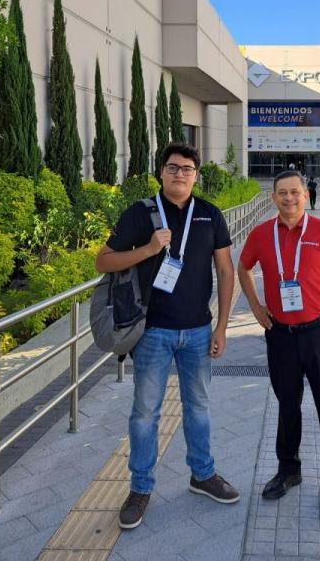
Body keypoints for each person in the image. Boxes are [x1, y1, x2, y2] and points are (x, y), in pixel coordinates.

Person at [95, 142, 239, 530]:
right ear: (161, 172)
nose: (180, 174)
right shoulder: (140, 213)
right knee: (145, 413)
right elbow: (103, 260)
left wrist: (222, 326)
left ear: (196, 176)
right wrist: (147, 249)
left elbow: (226, 271)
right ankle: (140, 488)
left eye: (187, 169)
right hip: (152, 332)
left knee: (199, 407)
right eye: (173, 167)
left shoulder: (209, 214)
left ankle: (203, 475)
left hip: (198, 330)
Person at [238, 170, 320, 520]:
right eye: (282, 193)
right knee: (287, 405)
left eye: (294, 192)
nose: (289, 198)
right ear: (273, 197)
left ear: (305, 195)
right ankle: (288, 469)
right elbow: (243, 269)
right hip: (281, 335)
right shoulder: (261, 235)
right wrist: (256, 307)